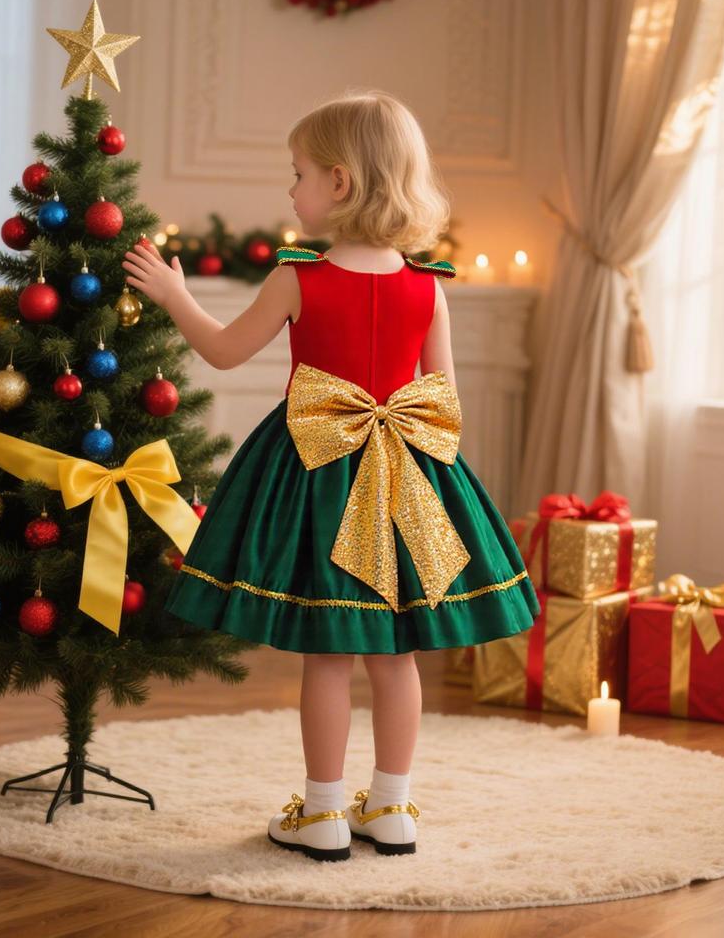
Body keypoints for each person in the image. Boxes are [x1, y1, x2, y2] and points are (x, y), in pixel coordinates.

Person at [121, 89, 540, 863]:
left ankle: (320, 814)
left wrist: (175, 294)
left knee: (328, 653)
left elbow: (221, 351)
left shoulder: (299, 275)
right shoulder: (428, 284)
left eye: (299, 174)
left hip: (315, 475)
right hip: (410, 474)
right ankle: (393, 807)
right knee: (397, 655)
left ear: (340, 183)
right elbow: (443, 402)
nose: (292, 190)